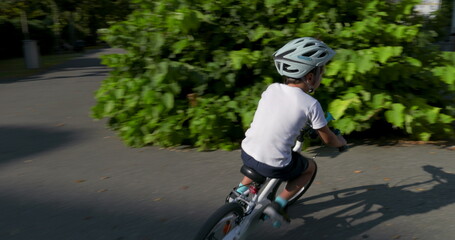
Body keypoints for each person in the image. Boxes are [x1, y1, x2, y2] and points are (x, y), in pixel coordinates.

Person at [228, 37, 348, 226]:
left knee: (261, 152)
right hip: (274, 164)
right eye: (321, 73)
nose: (321, 78)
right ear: (309, 78)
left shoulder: (272, 88)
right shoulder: (311, 104)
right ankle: (278, 204)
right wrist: (340, 142)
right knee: (309, 168)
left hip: (247, 151)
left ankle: (240, 191)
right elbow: (328, 139)